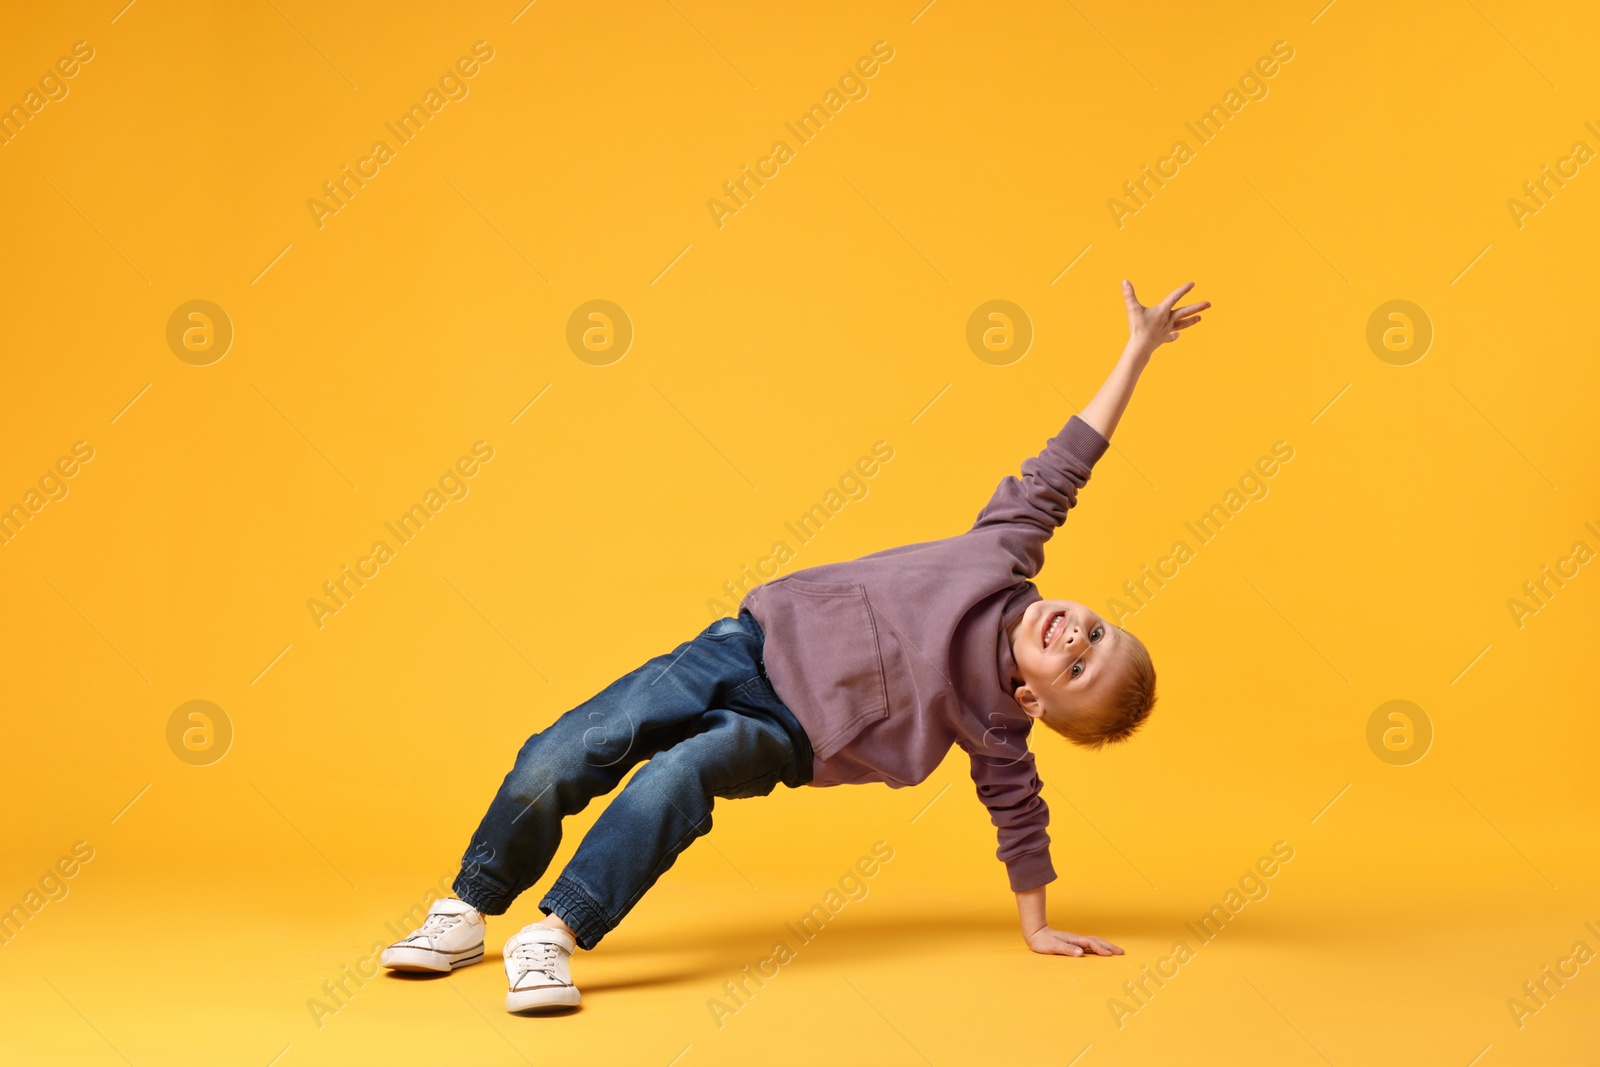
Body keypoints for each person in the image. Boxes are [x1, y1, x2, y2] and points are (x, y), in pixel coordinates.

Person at [380, 280, 1211, 1012]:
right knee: (583, 740)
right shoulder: (1006, 550)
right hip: (743, 645)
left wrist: (1037, 925)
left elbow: (1021, 818)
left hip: (787, 735)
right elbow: (1067, 463)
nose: (1074, 636)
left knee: (678, 776)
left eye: (1075, 667)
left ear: (1034, 699)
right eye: (1095, 631)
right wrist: (1138, 350)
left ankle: (553, 934)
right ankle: (467, 906)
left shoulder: (997, 726)